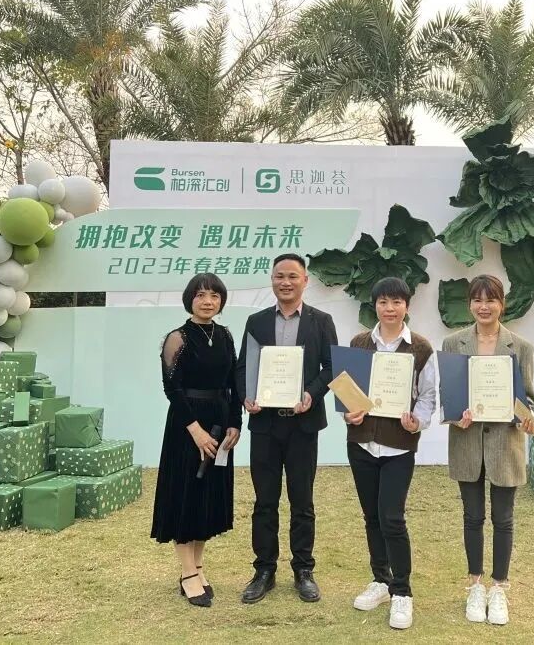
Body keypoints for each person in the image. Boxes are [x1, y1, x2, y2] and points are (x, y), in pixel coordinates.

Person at [236, 253, 338, 604]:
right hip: (265, 425)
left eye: (293, 276)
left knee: (302, 501)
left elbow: (331, 367)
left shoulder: (321, 321)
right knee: (265, 501)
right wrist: (247, 395)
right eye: (280, 276)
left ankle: (303, 570)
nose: (286, 282)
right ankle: (264, 570)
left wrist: (311, 393)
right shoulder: (257, 321)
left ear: (305, 281)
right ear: (272, 280)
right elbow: (244, 367)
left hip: (303, 425)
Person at [440, 274, 534, 627]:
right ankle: (475, 585)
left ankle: (498, 588)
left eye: (491, 300)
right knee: (472, 517)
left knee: (503, 519)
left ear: (501, 304)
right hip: (467, 443)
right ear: (470, 305)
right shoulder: (453, 343)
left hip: (504, 445)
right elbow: (448, 398)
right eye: (478, 300)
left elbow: (528, 399)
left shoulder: (520, 347)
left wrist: (524, 417)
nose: (484, 307)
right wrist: (456, 416)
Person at [344, 277, 437, 631]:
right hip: (362, 443)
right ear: (375, 306)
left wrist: (417, 422)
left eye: (397, 302)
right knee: (371, 517)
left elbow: (427, 396)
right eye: (383, 302)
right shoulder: (359, 343)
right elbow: (349, 391)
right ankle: (380, 580)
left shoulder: (421, 348)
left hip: (398, 446)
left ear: (407, 306)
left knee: (392, 519)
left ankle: (402, 591)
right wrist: (349, 413)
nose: (390, 308)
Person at [151, 273, 242, 608]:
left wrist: (235, 423)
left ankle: (199, 567)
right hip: (186, 426)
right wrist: (196, 430)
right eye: (201, 295)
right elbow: (172, 389)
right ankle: (187, 573)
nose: (208, 301)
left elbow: (234, 383)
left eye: (215, 295)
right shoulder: (177, 338)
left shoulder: (225, 335)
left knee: (208, 497)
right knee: (186, 495)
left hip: (220, 423)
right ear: (190, 299)